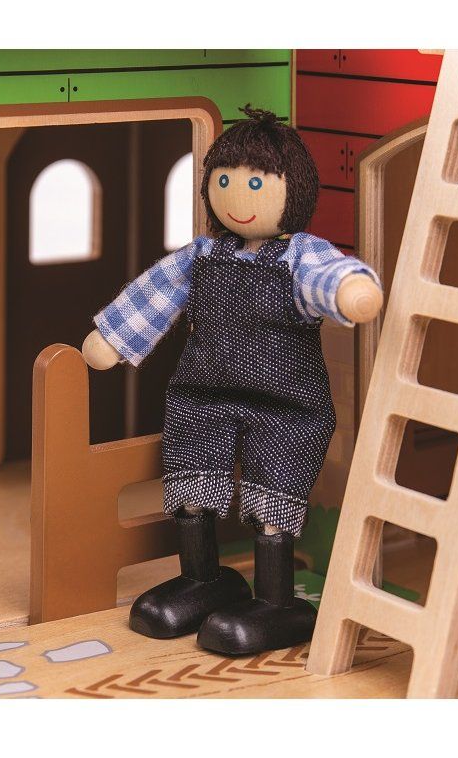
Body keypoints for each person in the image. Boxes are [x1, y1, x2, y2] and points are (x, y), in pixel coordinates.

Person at [81, 106, 383, 655]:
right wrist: (114, 337)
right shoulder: (203, 256)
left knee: (273, 500)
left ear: (293, 189)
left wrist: (350, 290)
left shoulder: (299, 256)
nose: (237, 196)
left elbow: (329, 275)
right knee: (191, 485)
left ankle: (275, 600)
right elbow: (155, 293)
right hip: (204, 394)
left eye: (255, 183)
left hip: (286, 404)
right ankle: (201, 579)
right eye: (224, 181)